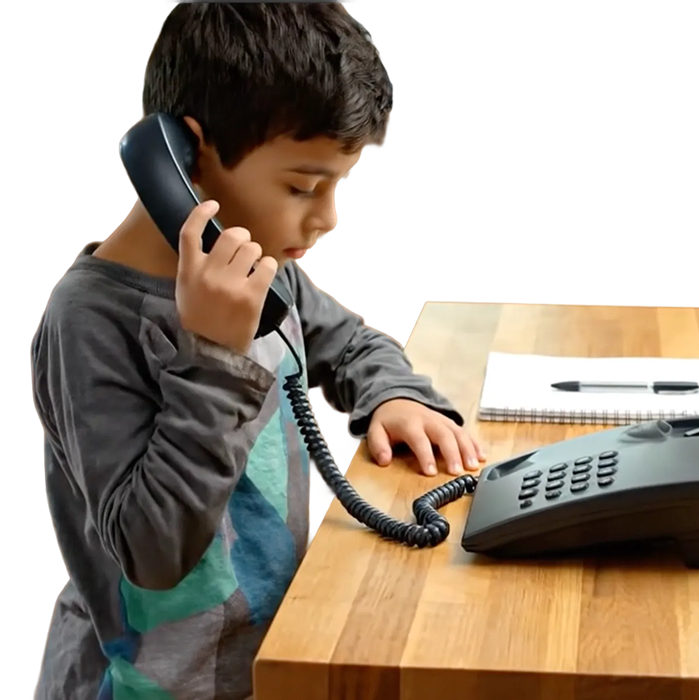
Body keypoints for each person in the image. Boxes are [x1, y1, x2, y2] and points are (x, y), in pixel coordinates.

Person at [30, 5, 485, 699]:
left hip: (271, 660)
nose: (327, 218)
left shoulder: (270, 274)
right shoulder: (87, 321)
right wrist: (212, 356)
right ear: (182, 159)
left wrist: (391, 393)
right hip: (147, 686)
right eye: (302, 187)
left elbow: (353, 342)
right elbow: (152, 553)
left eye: (340, 186)